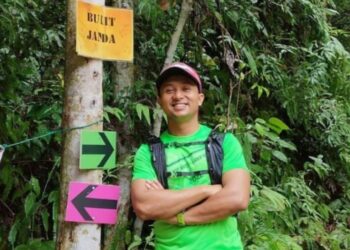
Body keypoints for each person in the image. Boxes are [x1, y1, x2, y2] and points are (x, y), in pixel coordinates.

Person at [131, 62, 250, 250]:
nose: (178, 96)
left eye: (186, 89)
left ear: (200, 98)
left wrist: (178, 215)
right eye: (169, 90)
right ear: (160, 100)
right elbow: (145, 206)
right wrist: (206, 190)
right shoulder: (149, 152)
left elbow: (237, 198)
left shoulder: (224, 143)